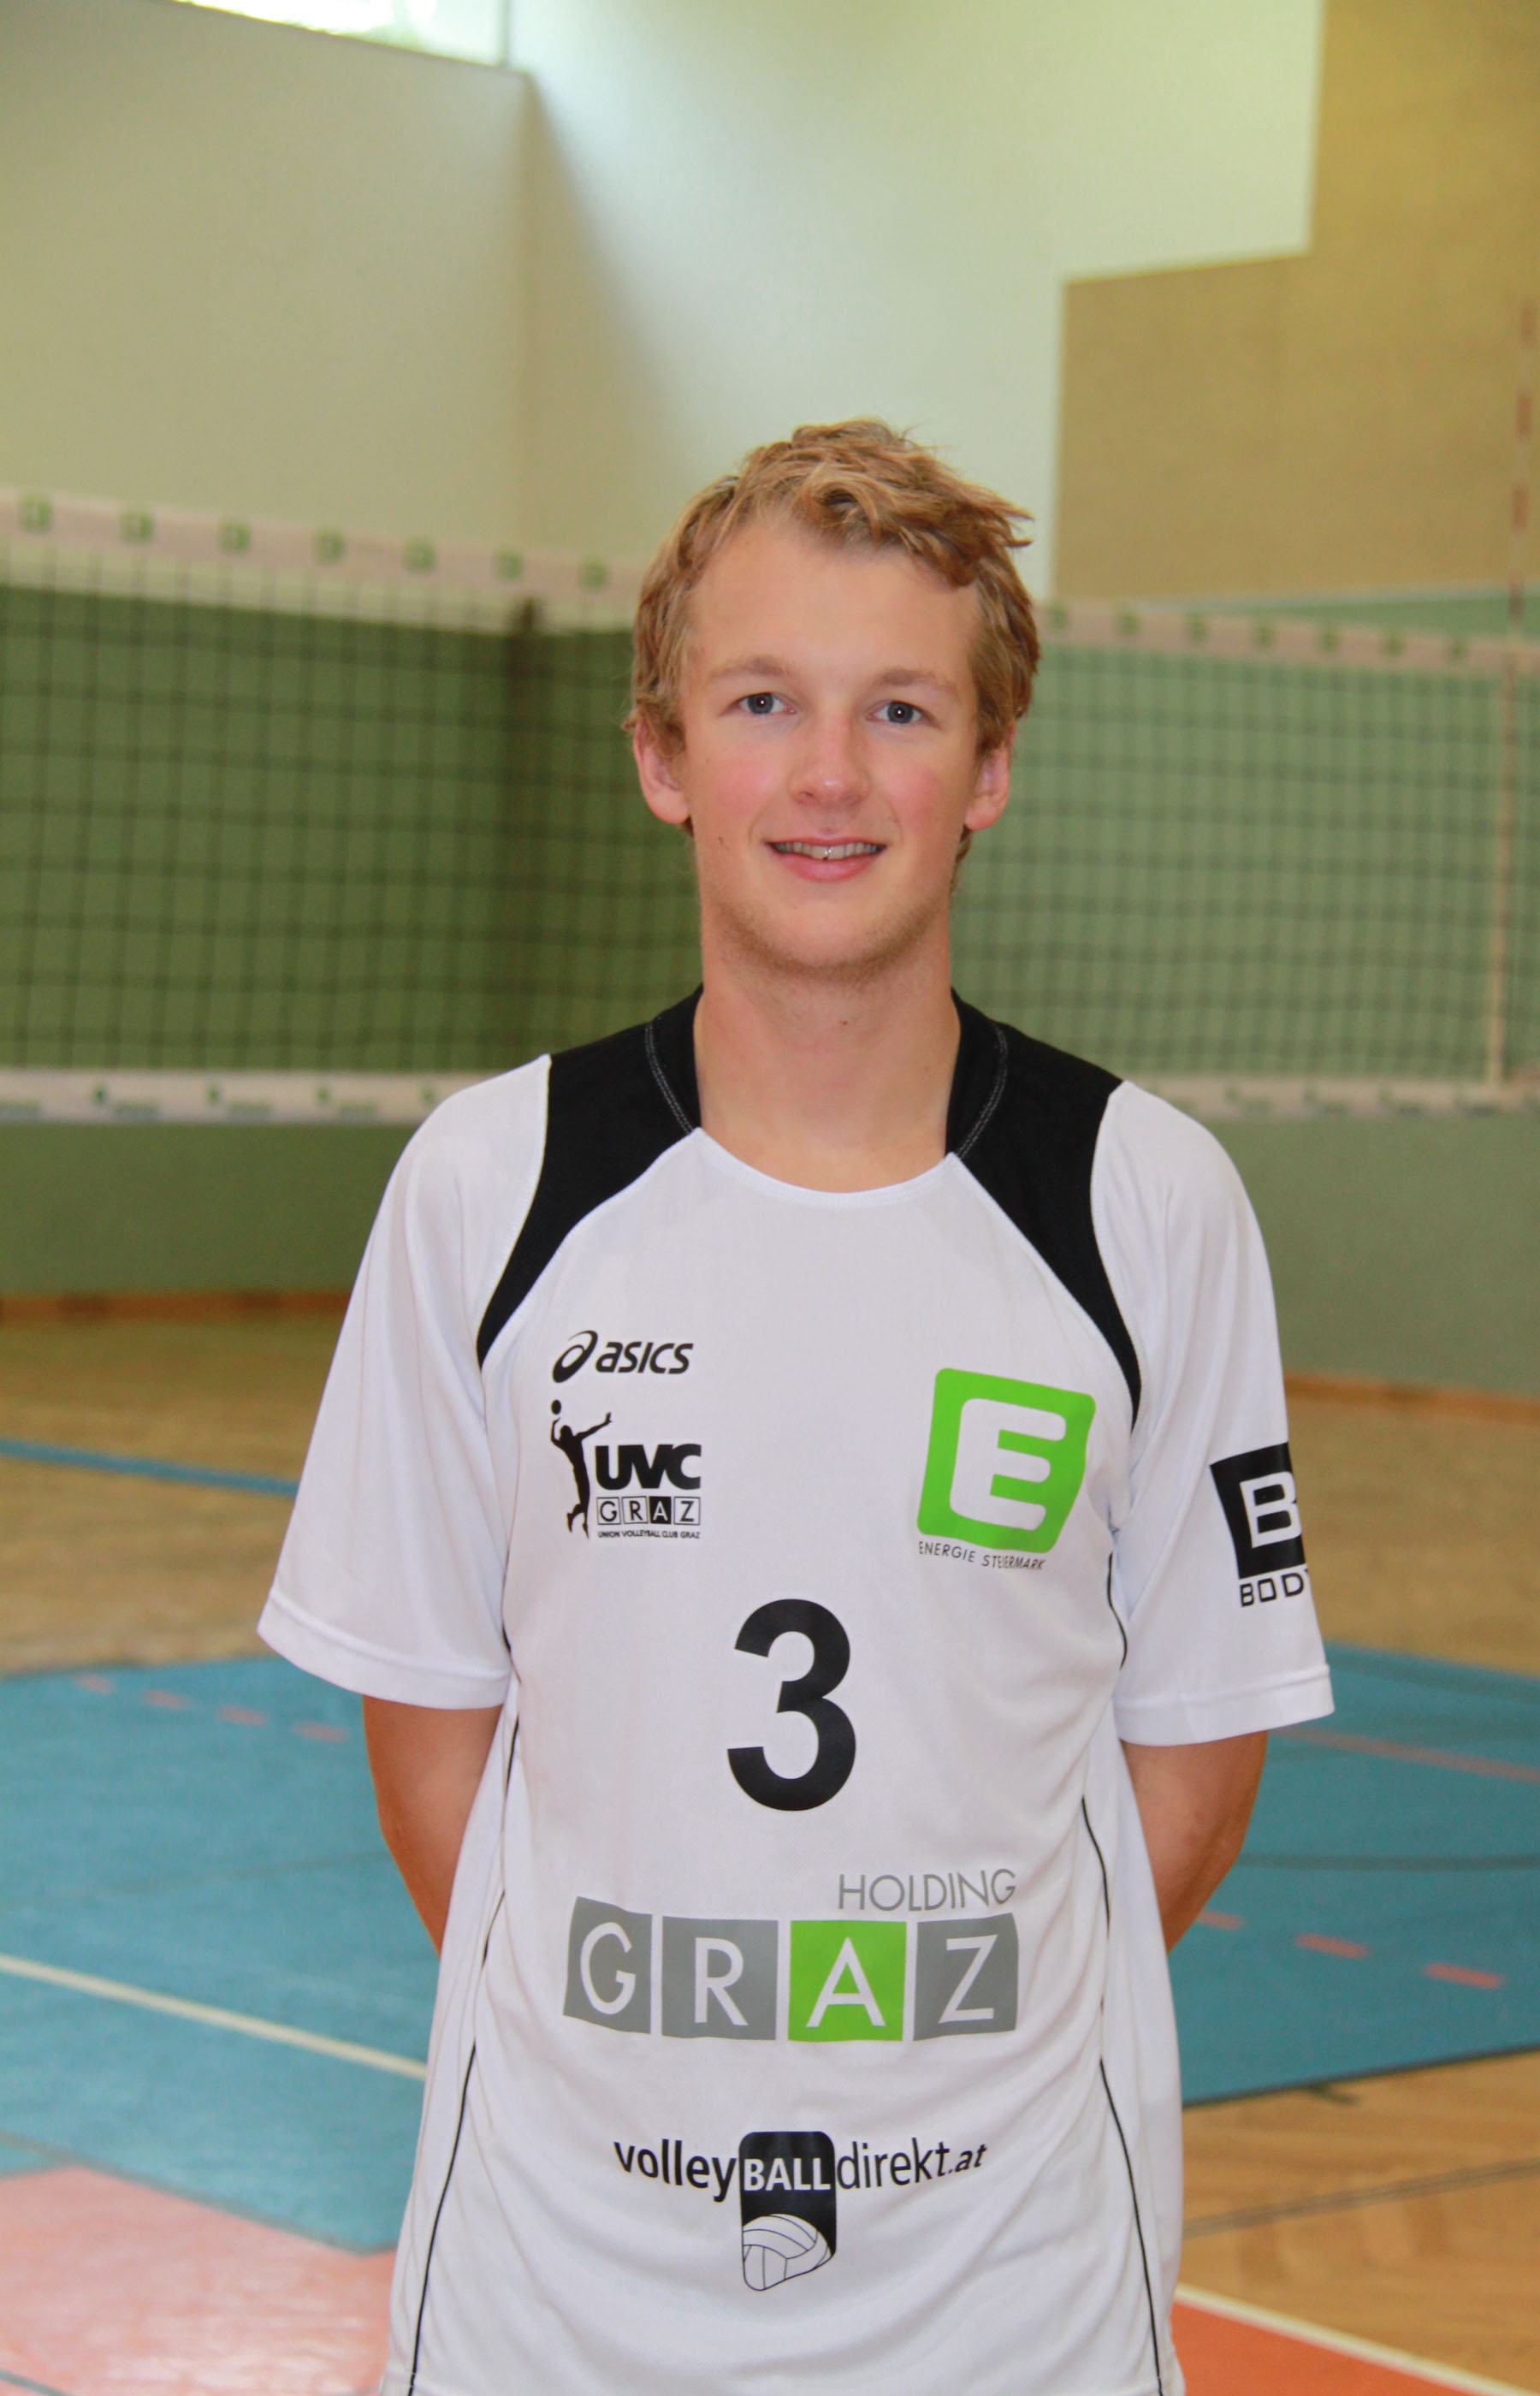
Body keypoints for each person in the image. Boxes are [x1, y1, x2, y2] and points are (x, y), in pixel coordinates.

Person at [260, 420, 1332, 2395]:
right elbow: (428, 1735)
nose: (829, 773)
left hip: (1013, 2305)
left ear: (987, 766)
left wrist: (936, 2070)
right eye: (763, 700)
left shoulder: (1148, 1202)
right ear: (663, 752)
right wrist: (649, 2069)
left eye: (900, 708)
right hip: (554, 2304)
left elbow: (1193, 1753)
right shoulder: (490, 1186)